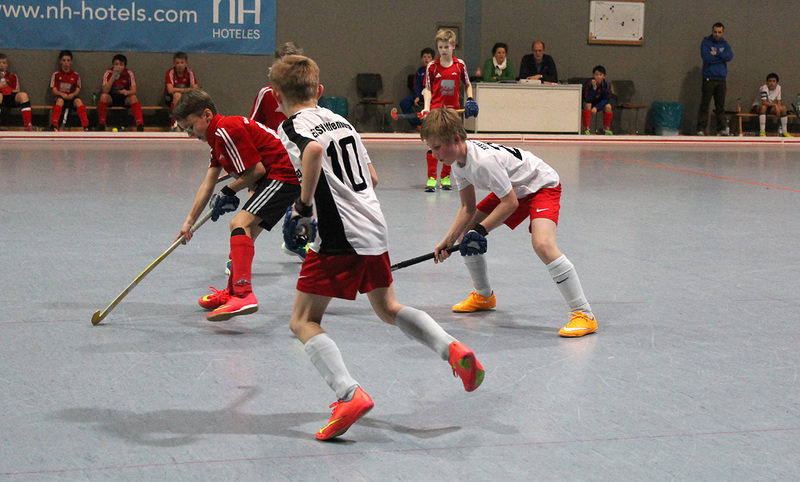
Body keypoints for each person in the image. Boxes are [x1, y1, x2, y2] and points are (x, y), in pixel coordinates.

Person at [270, 55, 484, 441]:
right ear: (319, 91)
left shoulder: (292, 125)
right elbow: (372, 176)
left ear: (275, 96)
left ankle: (347, 394)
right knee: (387, 308)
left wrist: (303, 207)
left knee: (302, 320)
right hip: (373, 225)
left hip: (339, 233)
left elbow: (313, 152)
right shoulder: (342, 122)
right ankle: (453, 349)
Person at [421, 107, 597, 338]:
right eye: (430, 148)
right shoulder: (456, 162)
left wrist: (480, 230)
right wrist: (448, 240)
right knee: (465, 235)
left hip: (540, 186)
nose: (434, 154)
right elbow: (467, 208)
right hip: (513, 188)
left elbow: (510, 203)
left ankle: (584, 314)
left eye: (436, 147)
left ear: (455, 139)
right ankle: (484, 296)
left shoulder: (483, 162)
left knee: (543, 244)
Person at [172, 89, 301, 322]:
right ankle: (234, 291)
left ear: (206, 115)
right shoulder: (216, 140)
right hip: (275, 177)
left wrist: (229, 190)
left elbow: (256, 171)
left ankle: (243, 295)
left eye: (190, 127)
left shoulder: (227, 129)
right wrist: (188, 222)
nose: (190, 134)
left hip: (284, 174)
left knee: (239, 224)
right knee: (246, 232)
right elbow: (208, 184)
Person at [248, 41, 307, 264]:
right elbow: (252, 127)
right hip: (272, 163)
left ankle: (298, 243)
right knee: (255, 211)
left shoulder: (306, 94)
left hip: (298, 161)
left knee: (307, 202)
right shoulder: (266, 94)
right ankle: (240, 254)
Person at [421, 28, 478, 192]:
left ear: (453, 46)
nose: (443, 50)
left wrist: (470, 99)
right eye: (440, 47)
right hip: (436, 112)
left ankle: (445, 177)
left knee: (451, 145)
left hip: (454, 113)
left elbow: (467, 84)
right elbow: (428, 89)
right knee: (433, 145)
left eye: (446, 47)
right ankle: (432, 178)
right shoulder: (432, 67)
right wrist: (426, 107)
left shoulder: (460, 65)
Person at [696, 22, 733, 136]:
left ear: (723, 32)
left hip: (721, 79)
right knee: (705, 104)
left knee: (720, 106)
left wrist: (716, 53)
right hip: (709, 78)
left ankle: (721, 129)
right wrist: (721, 57)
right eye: (715, 32)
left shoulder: (725, 44)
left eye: (719, 32)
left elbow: (729, 56)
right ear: (712, 31)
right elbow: (707, 58)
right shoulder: (706, 42)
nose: (717, 34)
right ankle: (701, 128)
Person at [97, 54, 144, 132]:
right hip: (112, 98)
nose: (118, 67)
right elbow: (105, 90)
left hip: (124, 98)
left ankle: (140, 124)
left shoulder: (129, 73)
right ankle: (102, 124)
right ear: (113, 65)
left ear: (124, 66)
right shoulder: (108, 73)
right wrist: (113, 77)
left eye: (121, 65)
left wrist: (126, 92)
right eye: (116, 64)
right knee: (103, 97)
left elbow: (134, 91)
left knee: (133, 97)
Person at [48, 50, 90, 132]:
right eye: (64, 60)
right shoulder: (56, 74)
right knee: (59, 101)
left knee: (78, 101)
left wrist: (72, 95)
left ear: (71, 62)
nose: (66, 63)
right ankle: (54, 125)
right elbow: (54, 90)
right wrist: (62, 94)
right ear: (60, 62)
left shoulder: (75, 75)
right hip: (61, 97)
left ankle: (86, 126)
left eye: (68, 60)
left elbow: (78, 89)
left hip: (71, 97)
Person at [398, 47, 435, 130]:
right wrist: (417, 96)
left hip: (432, 95)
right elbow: (417, 85)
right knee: (404, 103)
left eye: (429, 57)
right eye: (424, 57)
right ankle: (417, 124)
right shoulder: (419, 71)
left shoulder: (435, 70)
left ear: (432, 59)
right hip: (420, 94)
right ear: (421, 59)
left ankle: (432, 126)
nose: (426, 59)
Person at [164, 52, 199, 131]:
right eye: (177, 63)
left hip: (185, 97)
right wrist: (186, 90)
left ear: (186, 63)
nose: (180, 65)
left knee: (196, 98)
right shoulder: (171, 72)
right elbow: (170, 89)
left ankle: (191, 124)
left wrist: (182, 91)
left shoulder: (189, 72)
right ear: (174, 63)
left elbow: (195, 88)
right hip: (170, 98)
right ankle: (174, 123)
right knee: (177, 95)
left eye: (182, 63)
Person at [0, 52, 34, 131]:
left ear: (7, 65)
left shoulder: (12, 76)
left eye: (4, 63)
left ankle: (28, 125)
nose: (1, 65)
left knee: (23, 95)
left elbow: (17, 90)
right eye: (0, 63)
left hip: (9, 97)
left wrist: (8, 89)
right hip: (1, 97)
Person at [752, 73, 791, 137]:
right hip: (758, 107)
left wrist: (778, 108)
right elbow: (764, 102)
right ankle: (762, 131)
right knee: (764, 107)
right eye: (770, 81)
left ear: (777, 82)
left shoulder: (779, 88)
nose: (772, 83)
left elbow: (779, 100)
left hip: (769, 107)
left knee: (783, 108)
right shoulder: (764, 88)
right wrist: (775, 105)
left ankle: (785, 131)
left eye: (774, 81)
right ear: (767, 82)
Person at [581, 65, 613, 135]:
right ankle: (586, 129)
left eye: (600, 75)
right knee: (588, 105)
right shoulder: (588, 83)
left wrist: (596, 107)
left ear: (604, 76)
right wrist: (594, 89)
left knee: (608, 107)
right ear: (593, 75)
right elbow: (587, 99)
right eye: (596, 75)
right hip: (589, 102)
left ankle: (606, 129)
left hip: (599, 104)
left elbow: (606, 99)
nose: (598, 77)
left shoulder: (606, 85)